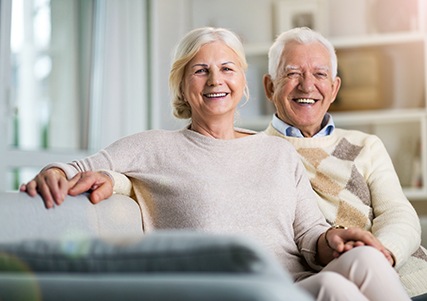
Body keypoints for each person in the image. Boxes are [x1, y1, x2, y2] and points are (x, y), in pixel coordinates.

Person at [21, 27, 411, 301]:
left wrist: (332, 239)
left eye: (226, 68)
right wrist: (56, 173)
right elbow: (81, 167)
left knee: (362, 258)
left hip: (294, 282)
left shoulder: (277, 153)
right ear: (182, 84)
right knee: (336, 290)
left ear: (243, 82)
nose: (215, 80)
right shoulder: (154, 146)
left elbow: (309, 234)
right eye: (200, 69)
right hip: (235, 288)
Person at [263, 26, 427, 298]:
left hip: (406, 272)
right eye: (293, 73)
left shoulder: (366, 145)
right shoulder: (257, 152)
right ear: (270, 86)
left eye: (320, 74)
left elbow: (398, 214)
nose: (307, 85)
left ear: (334, 87)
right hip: (330, 284)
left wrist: (381, 254)